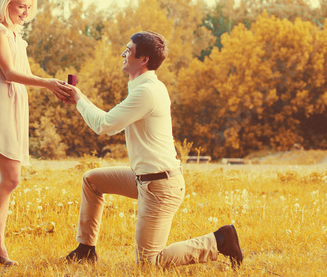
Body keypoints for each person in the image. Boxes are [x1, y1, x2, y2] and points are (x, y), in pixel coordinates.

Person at [63, 31, 243, 269]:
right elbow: (113, 124)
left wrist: (79, 99)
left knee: (149, 264)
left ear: (144, 59)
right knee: (92, 180)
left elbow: (104, 125)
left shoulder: (147, 91)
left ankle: (219, 240)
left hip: (160, 186)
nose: (123, 53)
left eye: (128, 49)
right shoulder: (143, 87)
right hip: (144, 178)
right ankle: (86, 249)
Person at [0, 0, 71, 266]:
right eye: (21, 7)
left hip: (17, 102)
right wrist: (48, 83)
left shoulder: (18, 37)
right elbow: (9, 72)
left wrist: (56, 87)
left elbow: (26, 74)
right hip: (2, 100)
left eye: (29, 8)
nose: (26, 13)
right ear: (7, 4)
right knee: (11, 179)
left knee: (4, 180)